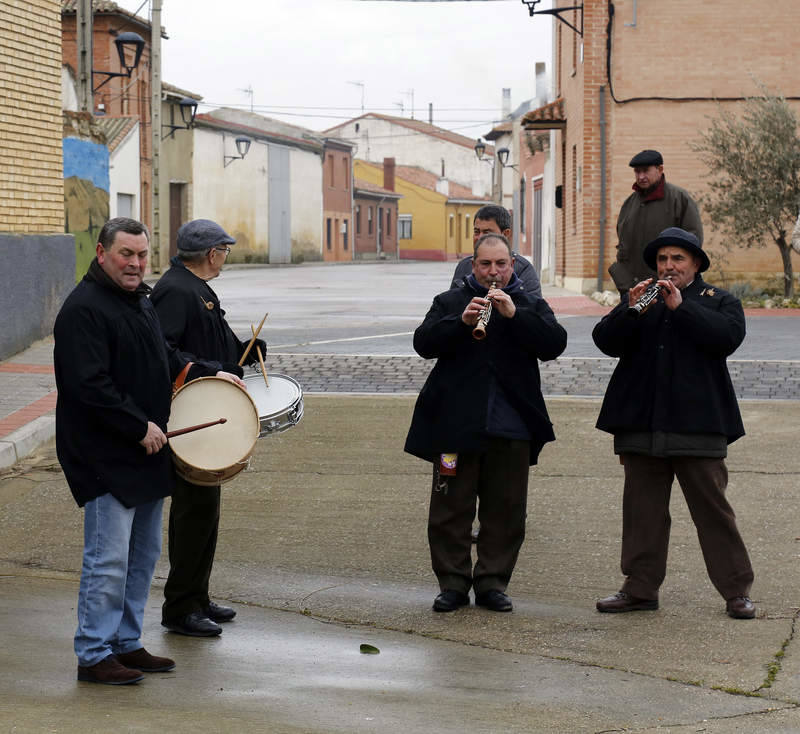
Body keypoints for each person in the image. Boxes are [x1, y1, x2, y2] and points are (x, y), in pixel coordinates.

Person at [54, 217, 244, 686]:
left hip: (146, 450)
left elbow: (164, 354)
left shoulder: (139, 299)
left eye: (141, 255)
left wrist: (205, 371)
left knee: (142, 555)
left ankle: (125, 643)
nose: (136, 263)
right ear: (101, 253)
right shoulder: (83, 309)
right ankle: (94, 653)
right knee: (108, 558)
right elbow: (86, 385)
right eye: (126, 255)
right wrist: (137, 425)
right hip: (105, 456)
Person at [592, 227, 755, 619]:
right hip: (642, 424)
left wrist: (682, 308)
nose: (669, 266)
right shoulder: (643, 299)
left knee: (713, 512)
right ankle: (640, 588)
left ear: (696, 264)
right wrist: (629, 311)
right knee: (642, 513)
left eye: (677, 259)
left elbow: (726, 338)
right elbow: (605, 341)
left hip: (697, 425)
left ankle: (736, 591)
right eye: (663, 259)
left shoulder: (718, 302)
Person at [405, 232, 567, 613]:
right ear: (472, 266)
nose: (493, 273)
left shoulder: (529, 301)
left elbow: (554, 345)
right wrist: (460, 322)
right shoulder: (450, 301)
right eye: (485, 265)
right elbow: (423, 343)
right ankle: (453, 584)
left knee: (506, 510)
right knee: (450, 509)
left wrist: (515, 315)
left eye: (501, 265)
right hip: (454, 427)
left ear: (512, 265)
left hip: (511, 426)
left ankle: (493, 582)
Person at [150, 219, 266, 638]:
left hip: (208, 406)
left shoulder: (195, 288)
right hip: (190, 413)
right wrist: (204, 369)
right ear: (212, 253)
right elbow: (162, 349)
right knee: (192, 512)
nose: (225, 258)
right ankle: (180, 607)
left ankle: (197, 595)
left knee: (205, 512)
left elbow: (214, 343)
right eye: (225, 251)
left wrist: (245, 353)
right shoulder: (176, 290)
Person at [610, 150, 703, 293]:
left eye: (646, 171)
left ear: (660, 169)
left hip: (669, 291)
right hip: (632, 290)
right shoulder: (629, 204)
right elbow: (623, 246)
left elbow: (693, 242)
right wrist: (624, 283)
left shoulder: (680, 199)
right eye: (637, 172)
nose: (641, 177)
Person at [450, 204, 542, 298]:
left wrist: (511, 310)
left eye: (487, 232)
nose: (480, 238)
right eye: (477, 232)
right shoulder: (463, 266)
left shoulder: (524, 270)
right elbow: (449, 307)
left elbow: (535, 310)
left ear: (505, 234)